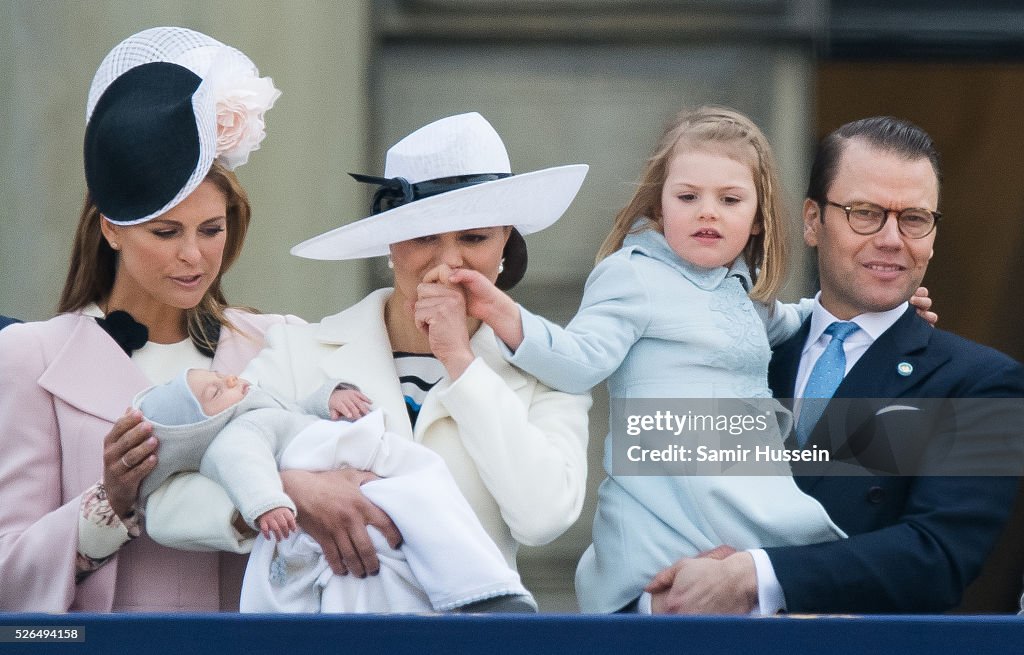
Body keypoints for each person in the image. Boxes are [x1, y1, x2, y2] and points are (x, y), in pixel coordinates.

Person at [452, 105, 861, 613]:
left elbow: (794, 321)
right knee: (675, 610)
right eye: (687, 197)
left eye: (729, 199)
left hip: (745, 496)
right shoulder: (634, 274)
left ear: (758, 220)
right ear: (660, 204)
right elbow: (580, 359)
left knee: (823, 588)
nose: (706, 211)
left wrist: (878, 315)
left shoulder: (743, 291)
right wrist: (503, 312)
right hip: (663, 507)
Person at [153, 112, 591, 584]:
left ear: (505, 241)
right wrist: (287, 494)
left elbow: (543, 517)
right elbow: (168, 504)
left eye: (475, 237)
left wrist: (460, 363)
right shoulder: (300, 352)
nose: (448, 263)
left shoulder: (548, 370)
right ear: (390, 243)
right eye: (423, 236)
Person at [644, 116, 1024, 614]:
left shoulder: (984, 383)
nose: (891, 239)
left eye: (914, 218)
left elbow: (941, 558)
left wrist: (754, 575)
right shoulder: (741, 355)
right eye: (865, 213)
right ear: (811, 220)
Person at [0, 26, 300, 612]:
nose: (193, 256)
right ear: (111, 228)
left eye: (211, 230)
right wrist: (108, 500)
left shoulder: (277, 343)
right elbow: (8, 578)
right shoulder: (29, 357)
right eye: (166, 232)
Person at [134, 369, 535, 613]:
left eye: (220, 376)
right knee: (424, 494)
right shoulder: (237, 433)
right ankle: (482, 587)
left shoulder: (261, 408)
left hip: (345, 473)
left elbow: (298, 408)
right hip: (337, 465)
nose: (231, 380)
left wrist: (332, 395)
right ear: (203, 426)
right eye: (215, 392)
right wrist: (271, 500)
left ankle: (474, 590)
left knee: (376, 563)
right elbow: (244, 467)